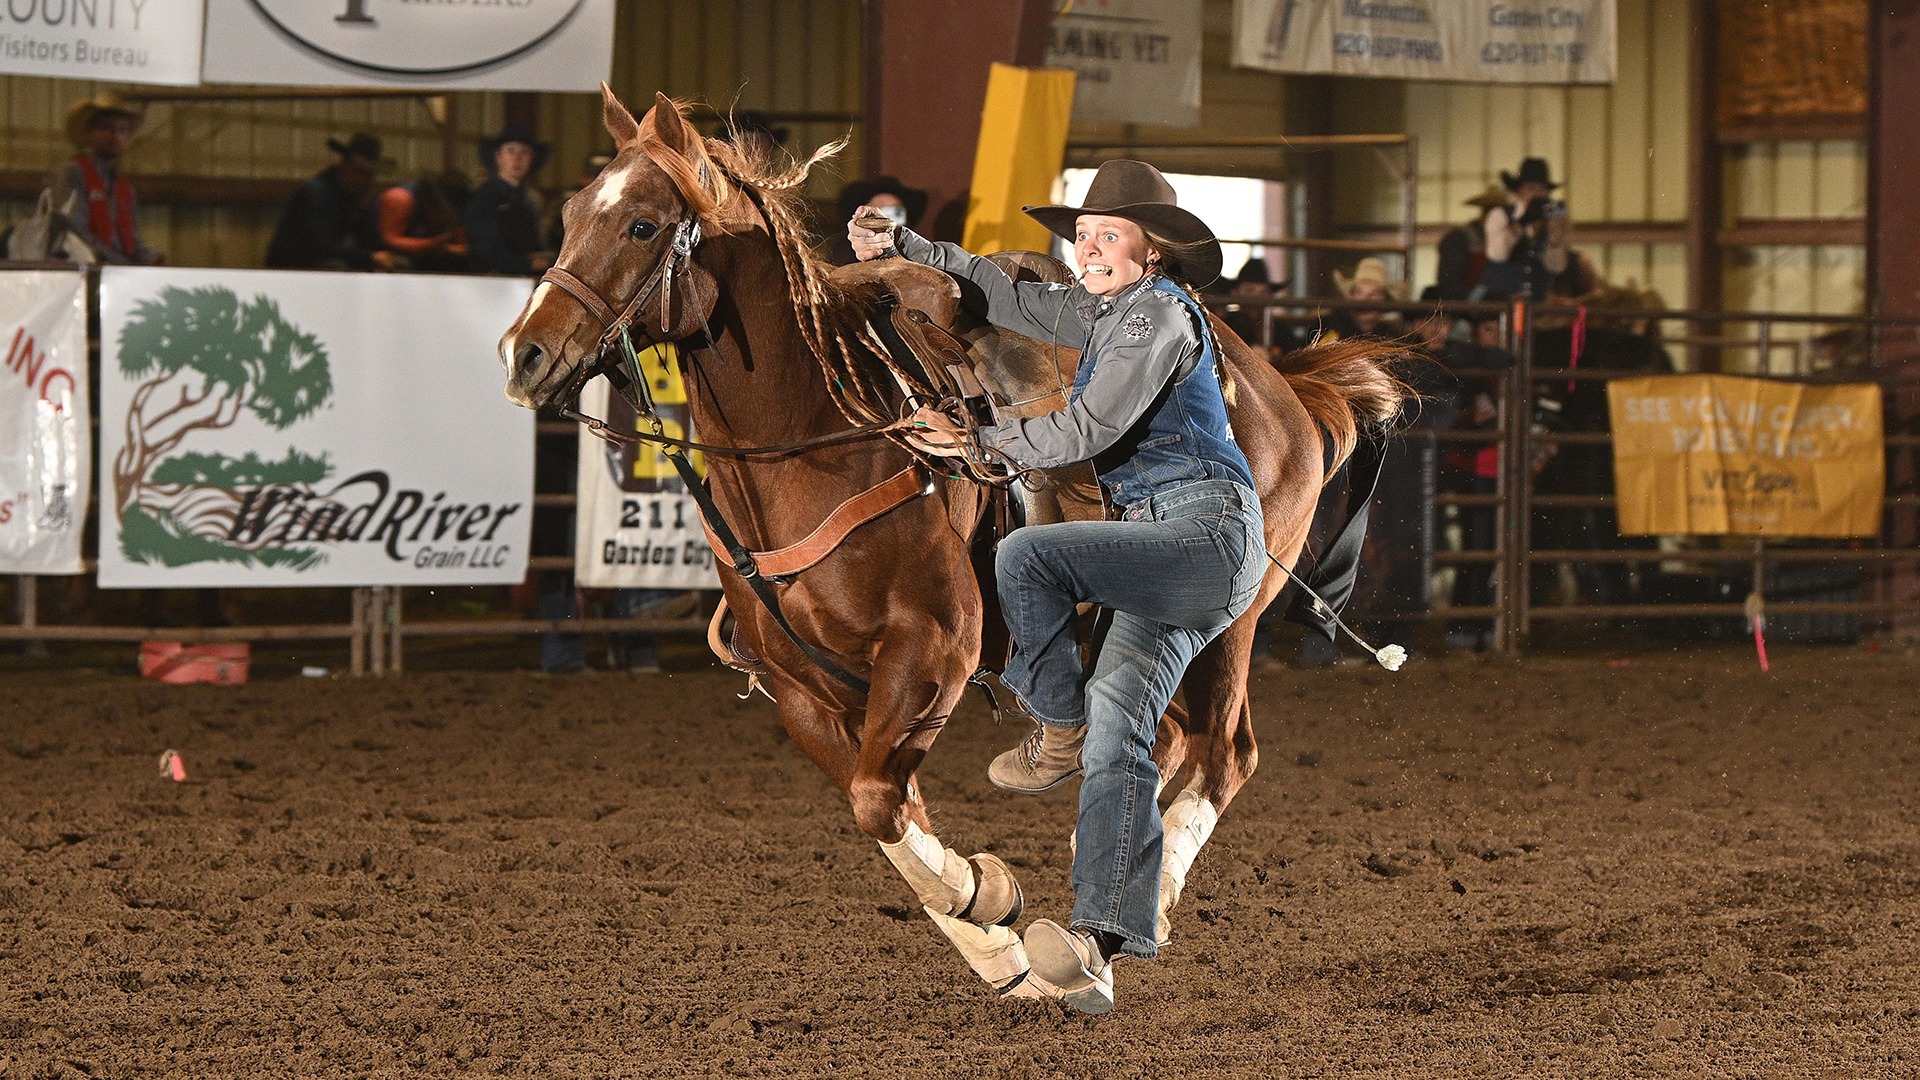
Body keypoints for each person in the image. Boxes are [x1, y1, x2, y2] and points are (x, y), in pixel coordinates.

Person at [849, 159, 1265, 1014]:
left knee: (1026, 559)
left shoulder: (1154, 314)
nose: (1088, 246)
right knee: (1126, 745)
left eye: (1107, 235)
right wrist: (914, 246)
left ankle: (1058, 723)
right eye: (1083, 235)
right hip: (1166, 553)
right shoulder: (1110, 310)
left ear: (1152, 252)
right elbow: (1011, 299)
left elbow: (1089, 425)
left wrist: (977, 444)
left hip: (1201, 535)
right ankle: (1096, 946)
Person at [45, 92, 162, 265]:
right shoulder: (73, 173)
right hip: (82, 269)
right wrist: (119, 262)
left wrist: (150, 257)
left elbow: (133, 241)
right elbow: (73, 232)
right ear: (88, 133)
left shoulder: (124, 187)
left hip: (115, 269)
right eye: (106, 128)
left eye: (122, 130)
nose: (115, 135)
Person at [266, 133, 391, 270]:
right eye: (360, 172)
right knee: (338, 267)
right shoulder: (313, 193)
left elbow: (370, 241)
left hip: (326, 262)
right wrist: (368, 257)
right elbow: (318, 245)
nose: (365, 181)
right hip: (294, 267)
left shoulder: (358, 199)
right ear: (344, 164)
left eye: (370, 175)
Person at [466, 124, 554, 276]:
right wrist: (528, 264)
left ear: (532, 159)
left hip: (528, 278)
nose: (517, 158)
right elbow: (486, 248)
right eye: (511, 151)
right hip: (494, 280)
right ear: (498, 156)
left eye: (524, 152)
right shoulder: (484, 198)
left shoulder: (530, 200)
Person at [376, 171, 470, 273]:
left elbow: (459, 235)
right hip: (384, 255)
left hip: (424, 254)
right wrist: (433, 245)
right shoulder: (400, 198)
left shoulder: (450, 208)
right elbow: (390, 240)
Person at [828, 175, 927, 266]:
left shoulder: (919, 254)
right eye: (880, 207)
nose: (887, 216)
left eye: (896, 210)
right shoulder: (843, 251)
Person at [1433, 185, 1507, 301]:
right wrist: (1486, 296)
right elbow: (1449, 285)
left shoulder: (1507, 241)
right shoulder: (1459, 238)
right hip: (1465, 310)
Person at [1326, 256, 1404, 339]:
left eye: (1374, 294)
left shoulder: (1393, 337)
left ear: (1385, 299)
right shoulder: (1329, 328)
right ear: (1350, 296)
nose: (1365, 299)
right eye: (1359, 292)